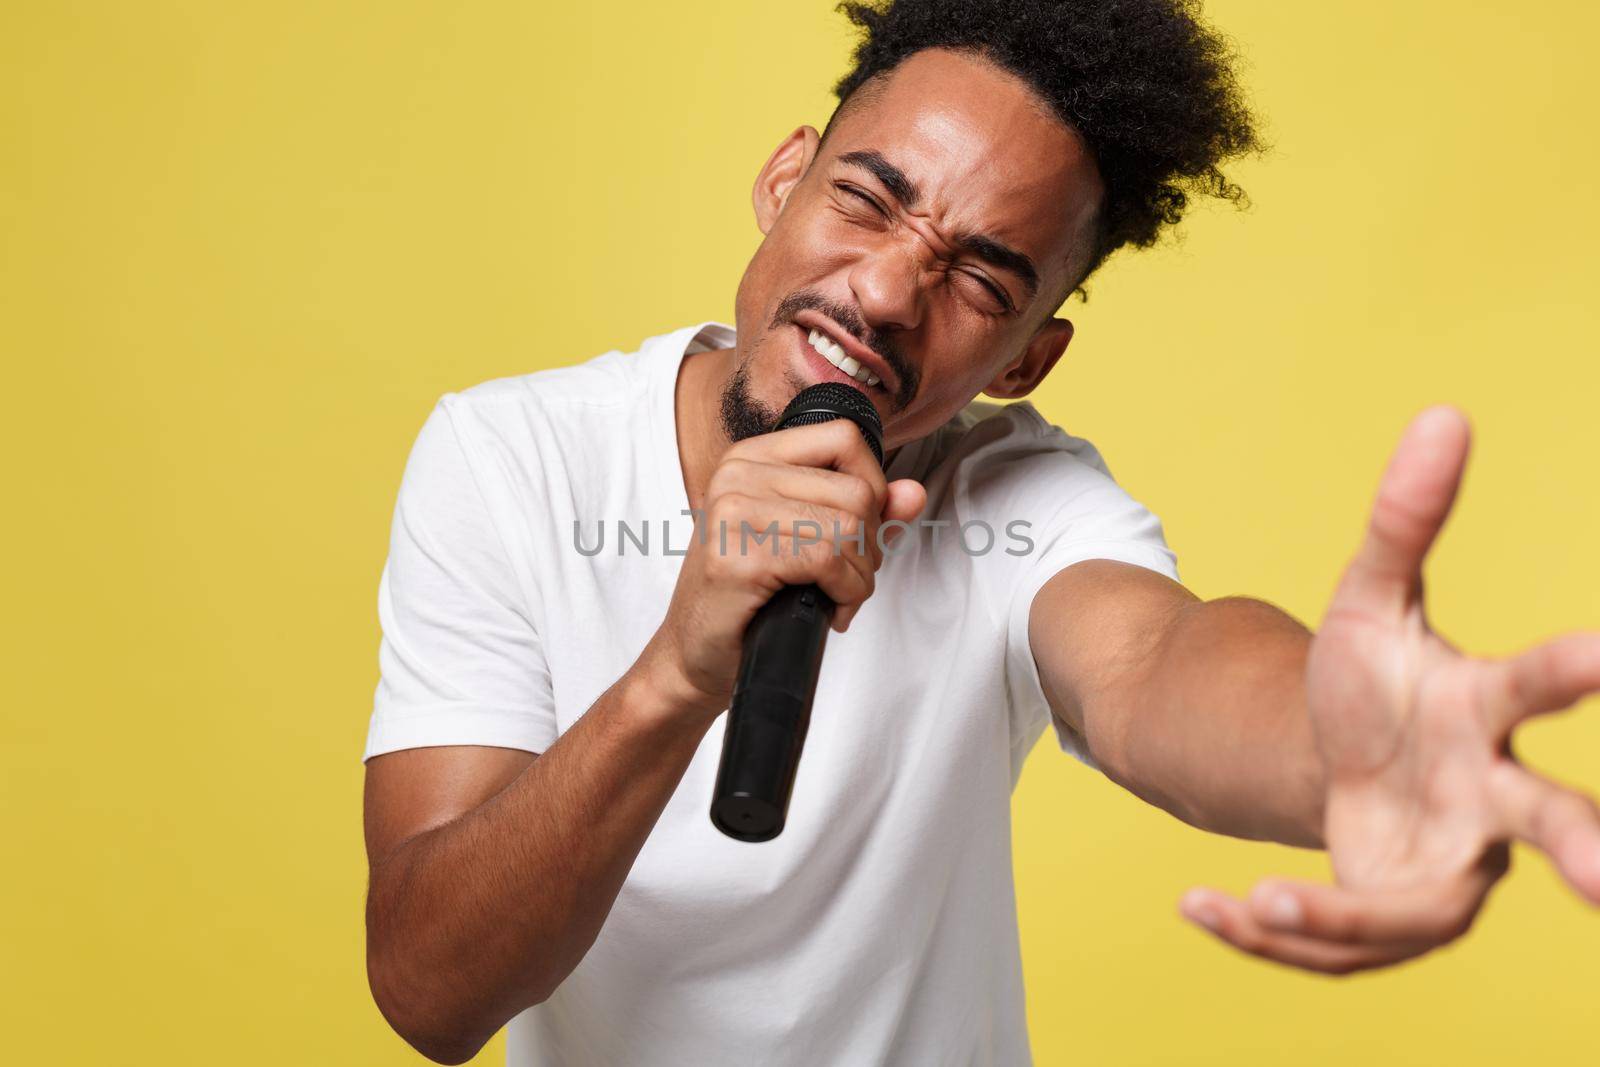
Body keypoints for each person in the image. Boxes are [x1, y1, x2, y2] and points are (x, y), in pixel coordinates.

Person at [360, 2, 1600, 1063]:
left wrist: (1345, 744)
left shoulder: (1022, 498)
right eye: (865, 200)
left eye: (980, 280)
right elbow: (428, 990)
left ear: (1027, 358)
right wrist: (676, 674)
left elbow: (1155, 667)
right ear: (785, 177)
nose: (887, 291)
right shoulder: (508, 453)